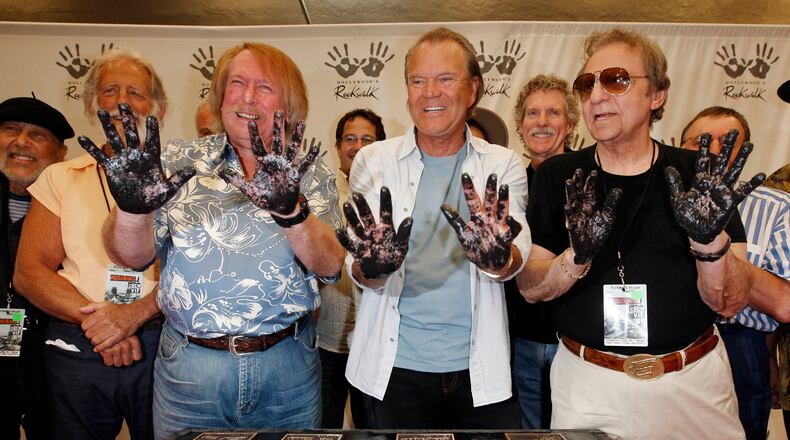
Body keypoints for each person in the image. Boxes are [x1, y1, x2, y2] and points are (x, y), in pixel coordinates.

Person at [516, 28, 764, 439]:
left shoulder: (698, 177)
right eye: (586, 84)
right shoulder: (560, 176)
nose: (596, 95)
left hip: (693, 385)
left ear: (657, 95)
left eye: (615, 79)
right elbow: (530, 287)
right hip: (587, 387)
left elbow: (729, 302)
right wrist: (573, 258)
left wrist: (709, 245)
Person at [90, 42, 344, 437]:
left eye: (264, 87)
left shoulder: (308, 172)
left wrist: (293, 213)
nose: (246, 96)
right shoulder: (177, 161)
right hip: (192, 369)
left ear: (289, 105)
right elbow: (131, 258)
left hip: (288, 367)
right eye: (237, 84)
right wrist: (130, 210)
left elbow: (330, 267)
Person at [338, 27, 529, 429]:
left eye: (445, 78)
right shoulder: (373, 161)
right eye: (418, 80)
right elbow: (359, 264)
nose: (430, 92)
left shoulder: (503, 164)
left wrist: (498, 259)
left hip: (478, 371)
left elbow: (515, 256)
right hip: (390, 371)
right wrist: (370, 269)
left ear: (473, 89)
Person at [13, 48, 166, 440]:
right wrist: (102, 323)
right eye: (110, 90)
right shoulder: (60, 177)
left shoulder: (180, 179)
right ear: (94, 104)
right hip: (78, 344)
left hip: (160, 340)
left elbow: (196, 273)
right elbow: (30, 273)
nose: (122, 102)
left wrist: (132, 316)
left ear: (158, 108)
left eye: (136, 92)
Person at [681, 106, 790, 440]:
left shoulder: (775, 205)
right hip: (672, 341)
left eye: (727, 141)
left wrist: (717, 256)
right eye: (701, 141)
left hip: (740, 344)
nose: (713, 151)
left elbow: (783, 302)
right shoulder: (652, 201)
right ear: (680, 147)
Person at [507, 73, 579, 429]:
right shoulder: (510, 187)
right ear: (520, 126)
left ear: (569, 124)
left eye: (553, 113)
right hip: (521, 341)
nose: (542, 122)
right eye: (533, 114)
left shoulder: (589, 181)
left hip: (576, 342)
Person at [0, 96, 72, 440]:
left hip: (52, 353)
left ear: (60, 156)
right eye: (11, 130)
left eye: (37, 135)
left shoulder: (76, 207)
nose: (21, 142)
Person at [319, 108, 386, 429]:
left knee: (373, 430)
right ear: (338, 146)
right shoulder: (319, 194)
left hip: (376, 340)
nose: (357, 146)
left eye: (367, 139)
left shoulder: (394, 196)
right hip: (327, 340)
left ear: (381, 146)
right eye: (349, 138)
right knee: (325, 429)